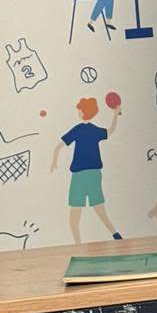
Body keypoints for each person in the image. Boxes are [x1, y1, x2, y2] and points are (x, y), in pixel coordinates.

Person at [51, 97, 123, 243]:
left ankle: (78, 242)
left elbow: (59, 145)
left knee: (76, 209)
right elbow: (110, 131)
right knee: (98, 206)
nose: (78, 112)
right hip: (94, 173)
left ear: (83, 112)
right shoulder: (94, 130)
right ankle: (114, 233)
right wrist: (115, 115)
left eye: (79, 110)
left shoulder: (78, 129)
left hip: (80, 175)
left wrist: (54, 160)